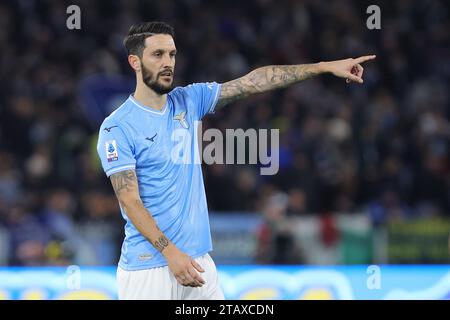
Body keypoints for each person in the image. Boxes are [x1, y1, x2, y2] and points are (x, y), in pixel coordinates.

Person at [96, 21, 376, 300]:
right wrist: (171, 254)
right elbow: (130, 202)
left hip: (198, 263)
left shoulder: (189, 100)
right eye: (158, 54)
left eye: (172, 54)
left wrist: (323, 67)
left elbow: (254, 82)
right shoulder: (118, 127)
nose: (168, 62)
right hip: (149, 270)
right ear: (135, 61)